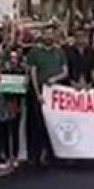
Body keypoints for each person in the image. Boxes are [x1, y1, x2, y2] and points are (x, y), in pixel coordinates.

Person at [26, 26, 67, 167]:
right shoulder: (35, 52)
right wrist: (37, 93)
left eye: (51, 34)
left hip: (55, 94)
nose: (49, 36)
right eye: (46, 34)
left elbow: (65, 71)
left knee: (54, 125)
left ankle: (52, 154)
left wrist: (55, 79)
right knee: (37, 125)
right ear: (42, 35)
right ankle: (35, 156)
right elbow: (33, 73)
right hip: (40, 93)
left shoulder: (59, 52)